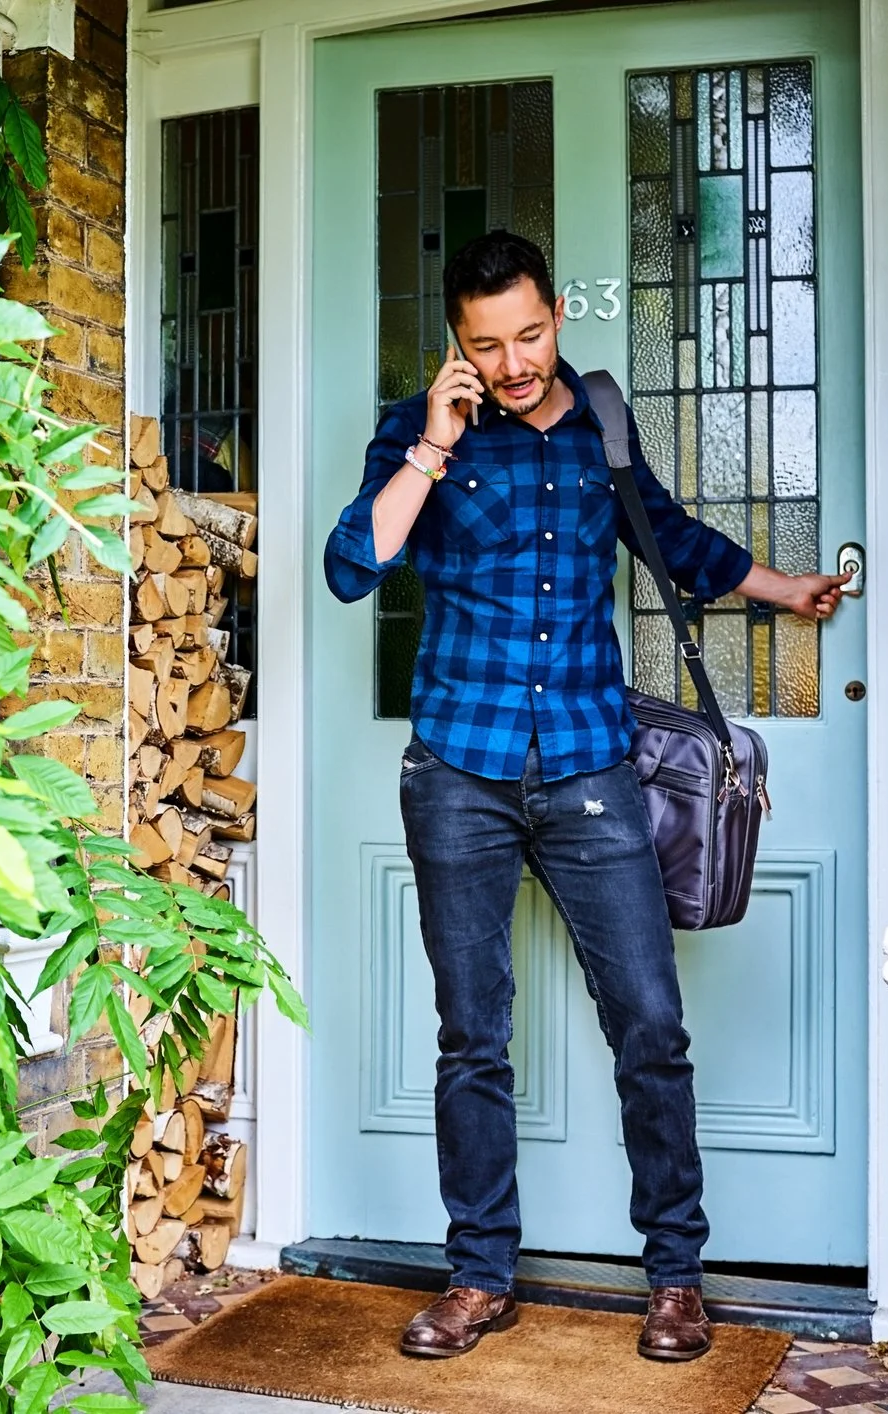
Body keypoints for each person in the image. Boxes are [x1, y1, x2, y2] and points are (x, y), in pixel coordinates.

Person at [324, 231, 848, 1364]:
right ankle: (478, 1275)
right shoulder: (423, 434)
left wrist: (778, 585)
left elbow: (670, 540)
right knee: (473, 1037)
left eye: (528, 336)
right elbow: (351, 566)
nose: (512, 364)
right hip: (458, 770)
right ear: (455, 345)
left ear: (557, 313)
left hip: (590, 766)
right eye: (485, 346)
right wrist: (431, 443)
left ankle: (674, 1277)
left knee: (651, 1026)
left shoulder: (601, 423)